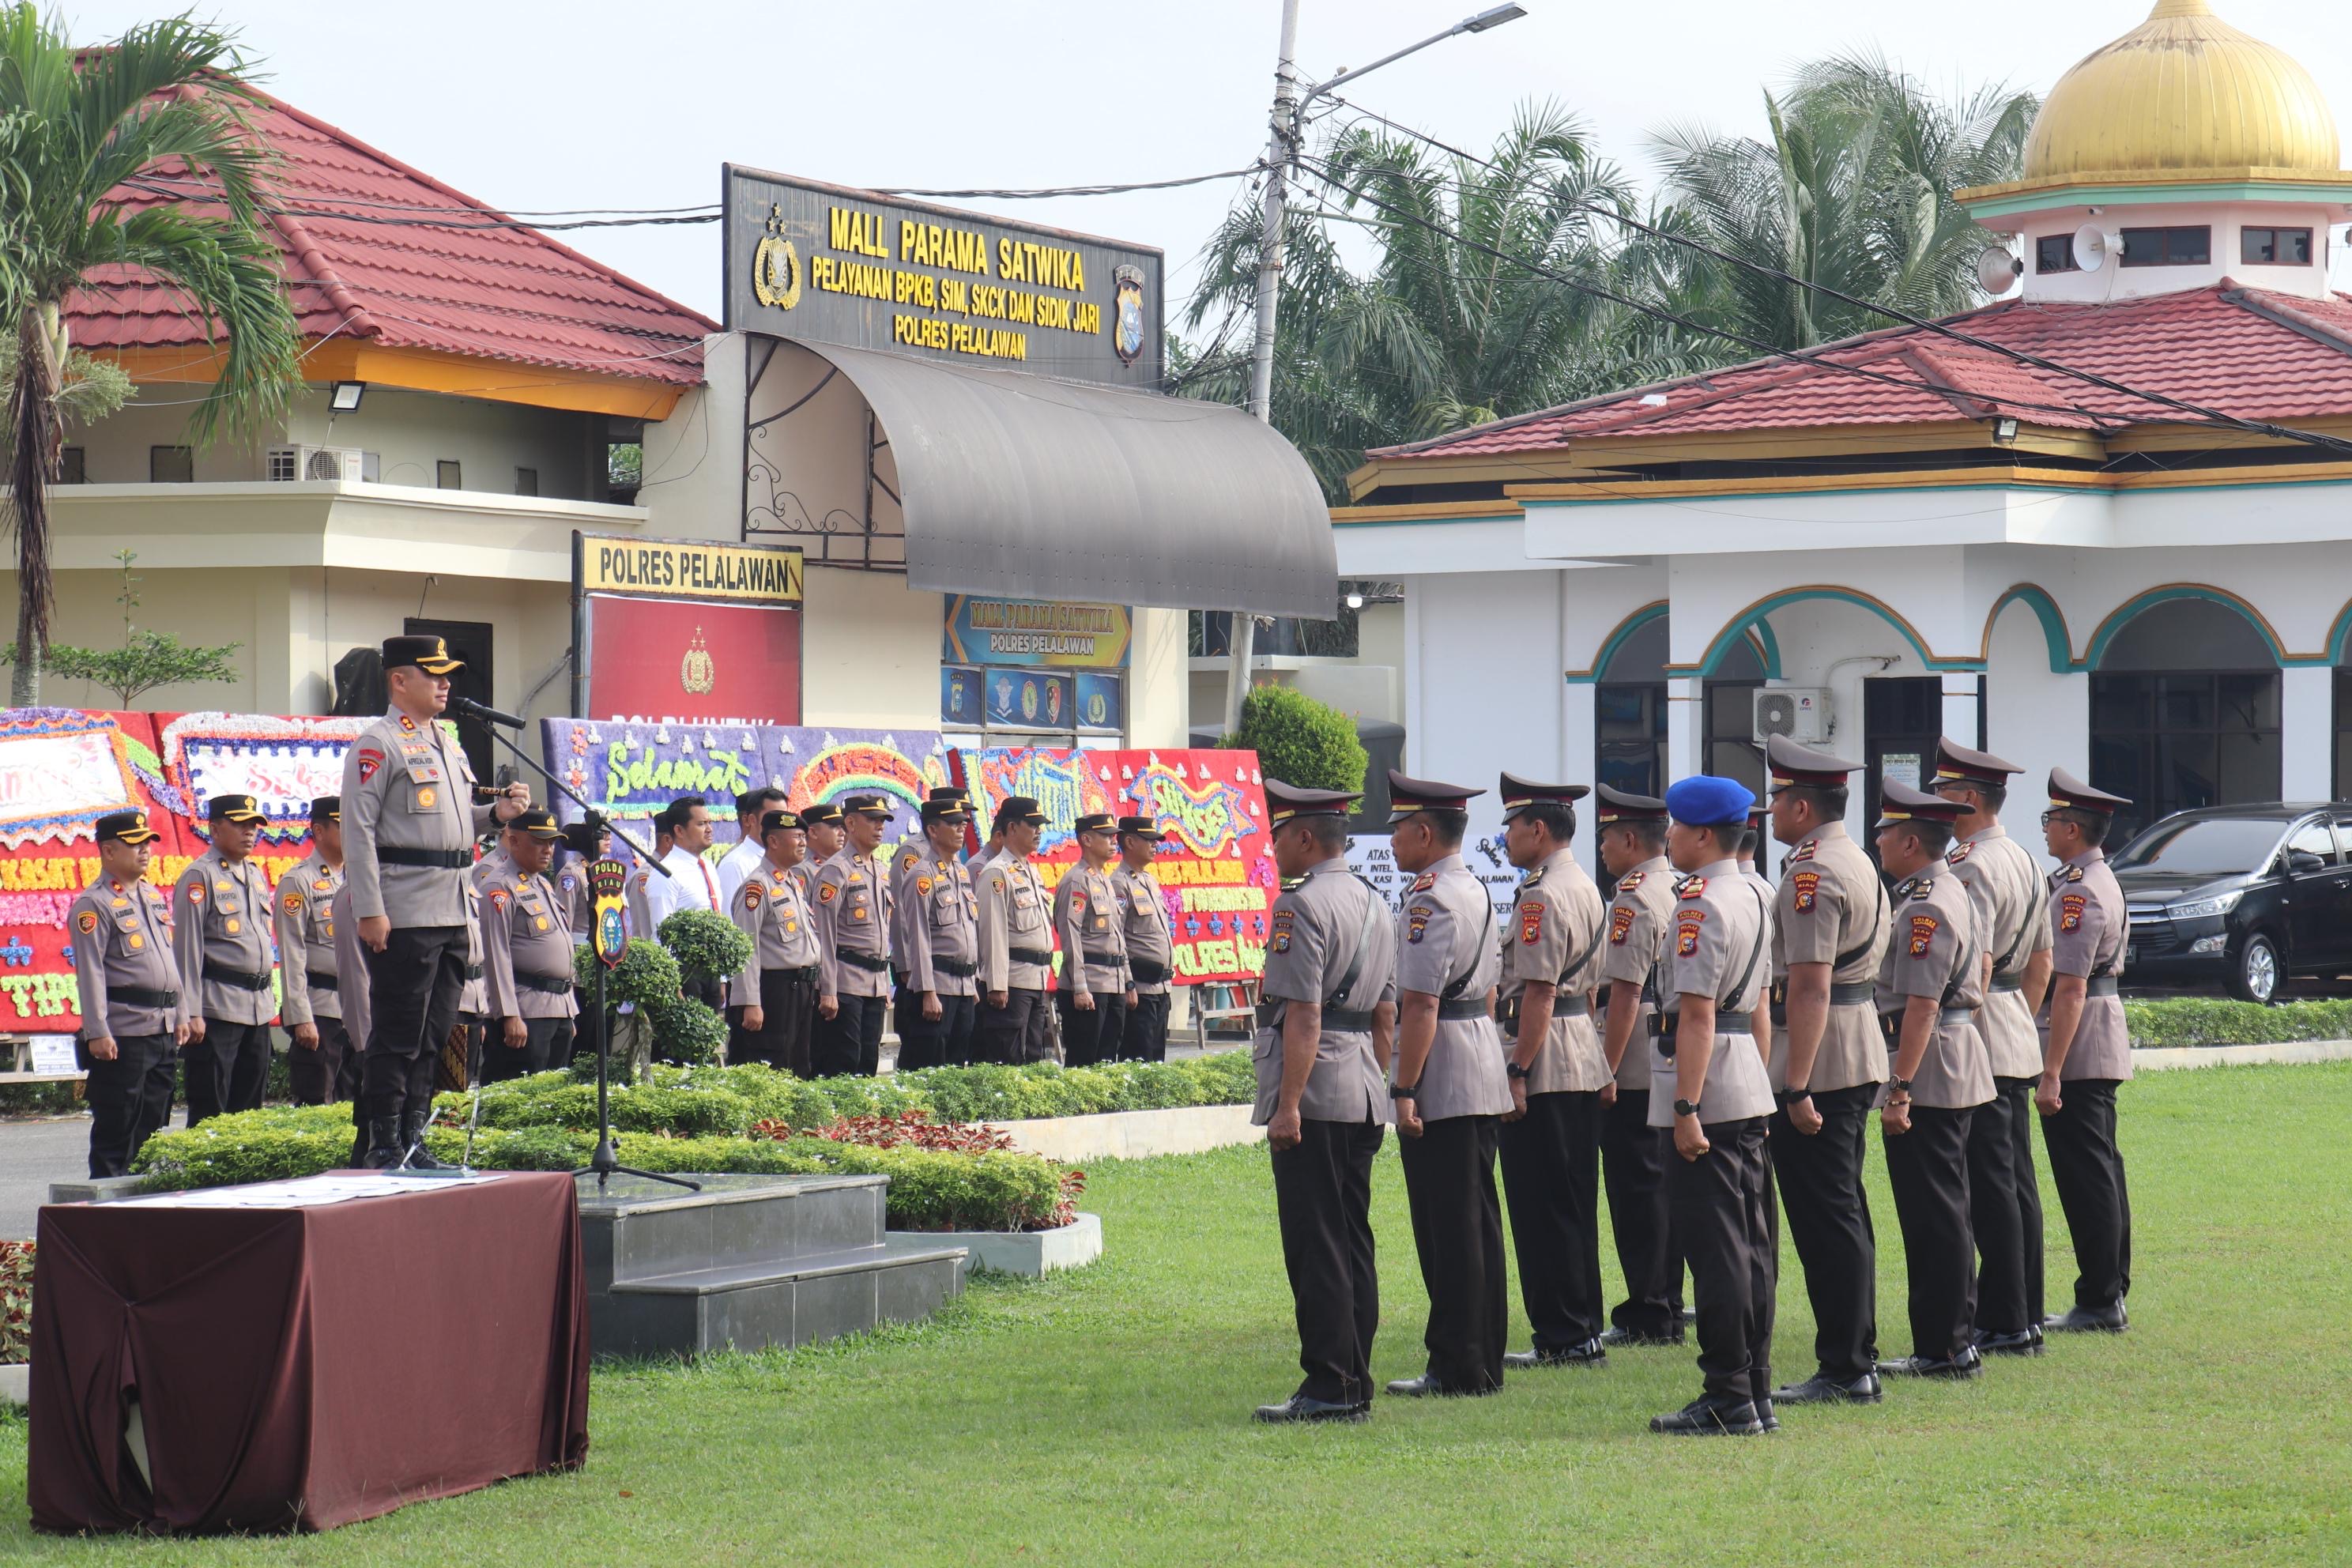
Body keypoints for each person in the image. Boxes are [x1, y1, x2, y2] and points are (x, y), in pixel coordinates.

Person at [343, 632, 526, 1168]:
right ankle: (382, 1141)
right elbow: (358, 831)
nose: (445, 683)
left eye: (448, 675)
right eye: (434, 674)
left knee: (436, 1033)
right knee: (398, 1031)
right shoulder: (378, 744)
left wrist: (496, 817)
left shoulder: (447, 741)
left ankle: (414, 1138)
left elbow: (454, 824)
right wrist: (370, 910)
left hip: (454, 907)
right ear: (400, 680)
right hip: (406, 909)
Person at [1251, 780, 1396, 1424]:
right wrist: (1378, 1081)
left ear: (1305, 838)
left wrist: (1289, 1107)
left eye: (1279, 835)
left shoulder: (1299, 905)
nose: (1274, 847)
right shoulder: (1375, 901)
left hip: (1316, 1093)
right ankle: (1354, 1377)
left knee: (1317, 1244)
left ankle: (1330, 1385)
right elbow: (1386, 1012)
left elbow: (1305, 1015)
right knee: (1352, 1237)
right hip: (1361, 1086)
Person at [1761, 734, 1889, 1410]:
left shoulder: (1811, 875)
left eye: (1777, 797)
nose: (1770, 809)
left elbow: (1810, 985)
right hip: (1851, 1042)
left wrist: (1796, 1083)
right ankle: (1853, 1353)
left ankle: (1845, 1364)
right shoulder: (1854, 857)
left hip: (1824, 1057)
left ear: (1802, 806)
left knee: (1826, 1216)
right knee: (1843, 1208)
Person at [1648, 775, 1777, 1437]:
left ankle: (1729, 1394)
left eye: (1675, 826)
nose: (1668, 836)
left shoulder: (1699, 906)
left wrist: (1686, 1106)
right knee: (1751, 1244)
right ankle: (1755, 1388)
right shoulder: (1754, 891)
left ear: (1702, 834)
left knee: (1718, 1248)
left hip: (1709, 1083)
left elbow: (1696, 1016)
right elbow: (1760, 1006)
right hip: (1744, 1074)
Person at [1383, 771, 1512, 1400]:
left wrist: (1404, 1088)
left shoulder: (1428, 900)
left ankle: (1458, 1363)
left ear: (1424, 833)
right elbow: (1486, 990)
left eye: (1398, 829)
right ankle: (1481, 1355)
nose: (1392, 841)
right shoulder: (1475, 887)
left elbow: (1421, 1004)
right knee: (1478, 1220)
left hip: (1445, 1067)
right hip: (1478, 1055)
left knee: (1449, 1226)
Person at [1932, 740, 2054, 1356]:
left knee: (1990, 1183)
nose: (1936, 803)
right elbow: (2042, 962)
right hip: (2011, 1026)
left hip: (1981, 1029)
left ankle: (2007, 1318)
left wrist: (1971, 1023)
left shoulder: (1972, 866)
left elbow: (1975, 961)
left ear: (1969, 800)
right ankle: (2023, 1310)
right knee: (2015, 1180)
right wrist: (2016, 1018)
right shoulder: (2025, 859)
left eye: (1943, 793)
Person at [1871, 780, 1992, 1379]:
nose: (1878, 843)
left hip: (1930, 1068)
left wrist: (1900, 1088)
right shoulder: (1947, 889)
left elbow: (1921, 1006)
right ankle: (1949, 1341)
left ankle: (1945, 1347)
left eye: (1886, 833)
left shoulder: (1926, 904)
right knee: (1945, 1207)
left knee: (1934, 1214)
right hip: (1948, 1056)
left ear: (1910, 842)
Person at [1493, 773, 1611, 1370]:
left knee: (1543, 1204)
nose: (1506, 837)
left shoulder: (1540, 895)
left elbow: (1538, 992)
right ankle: (1582, 1327)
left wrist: (1517, 1070)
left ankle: (1563, 1334)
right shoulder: (1584, 884)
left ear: (1538, 829)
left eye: (1512, 826)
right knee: (1573, 1200)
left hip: (1545, 1058)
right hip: (1578, 1052)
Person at [2037, 767, 2135, 1334]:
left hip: (2079, 1040)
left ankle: (2099, 1297)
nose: (2047, 828)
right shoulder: (2096, 877)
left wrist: (2051, 1071)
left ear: (2072, 828)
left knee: (2087, 1174)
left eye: (2051, 819)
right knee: (2101, 1168)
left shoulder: (2078, 889)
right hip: (2095, 1031)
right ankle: (2108, 1289)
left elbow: (2070, 987)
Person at [1592, 784, 1687, 1348]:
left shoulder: (1632, 899)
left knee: (1637, 1189)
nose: (1602, 846)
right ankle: (1667, 1301)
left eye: (1607, 836)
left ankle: (1649, 1309)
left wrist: (1604, 1068)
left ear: (1631, 840)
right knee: (1661, 1184)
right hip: (1669, 1046)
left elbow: (1625, 993)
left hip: (1634, 1057)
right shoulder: (1680, 886)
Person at [68, 810, 190, 1177]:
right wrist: (97, 1031)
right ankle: (107, 1202)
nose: (145, 850)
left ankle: (136, 1198)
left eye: (147, 843)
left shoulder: (150, 895)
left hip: (162, 1027)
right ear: (108, 851)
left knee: (151, 1125)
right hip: (125, 1033)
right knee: (117, 1127)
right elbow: (90, 972)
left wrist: (181, 1012)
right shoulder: (94, 904)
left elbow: (168, 960)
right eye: (134, 844)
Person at [169, 792, 276, 1122]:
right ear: (215, 830)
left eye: (253, 825)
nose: (249, 831)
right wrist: (191, 1012)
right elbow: (187, 950)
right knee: (211, 1111)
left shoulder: (254, 874)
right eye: (240, 824)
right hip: (217, 1009)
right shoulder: (200, 876)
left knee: (249, 1112)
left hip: (257, 1009)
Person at [474, 810, 577, 1080]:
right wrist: (508, 1014)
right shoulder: (498, 886)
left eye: (551, 842)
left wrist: (568, 1010)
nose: (548, 850)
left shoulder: (542, 884)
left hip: (557, 1008)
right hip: (525, 1010)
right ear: (514, 840)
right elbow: (494, 955)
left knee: (553, 1096)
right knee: (518, 1092)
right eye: (539, 842)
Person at [727, 808, 821, 1075]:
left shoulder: (791, 882)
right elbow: (746, 948)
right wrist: (750, 1002)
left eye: (804, 837)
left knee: (798, 1065)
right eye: (796, 837)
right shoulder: (757, 886)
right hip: (775, 989)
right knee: (772, 1063)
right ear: (773, 841)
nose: (803, 843)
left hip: (802, 988)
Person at [276, 797, 356, 1106]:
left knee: (355, 1106)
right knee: (318, 1104)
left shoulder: (359, 878)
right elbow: (291, 952)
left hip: (356, 1010)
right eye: (342, 825)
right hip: (321, 1010)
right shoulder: (299, 881)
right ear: (319, 831)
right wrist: (300, 1017)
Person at [811, 793, 895, 1076]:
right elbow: (823, 934)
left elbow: (882, 933)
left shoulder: (881, 870)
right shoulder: (836, 870)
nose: (879, 826)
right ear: (850, 823)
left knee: (868, 1062)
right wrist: (828, 989)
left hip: (875, 984)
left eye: (882, 821)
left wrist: (884, 986)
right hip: (845, 984)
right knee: (844, 1063)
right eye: (872, 819)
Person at [896, 793, 980, 1070]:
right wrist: (926, 991)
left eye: (963, 823)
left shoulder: (961, 872)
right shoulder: (922, 875)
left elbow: (969, 929)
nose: (961, 828)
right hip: (938, 986)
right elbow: (917, 936)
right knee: (929, 1068)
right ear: (933, 830)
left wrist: (972, 982)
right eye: (953, 823)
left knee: (956, 1070)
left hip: (963, 986)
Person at [975, 796, 1055, 1064]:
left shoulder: (1031, 872)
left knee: (1033, 1058)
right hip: (1012, 983)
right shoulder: (996, 872)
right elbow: (992, 933)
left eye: (1040, 826)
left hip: (1036, 981)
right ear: (1011, 828)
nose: (1038, 832)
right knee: (1009, 1060)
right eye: (1032, 825)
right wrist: (997, 984)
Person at [1054, 813, 1134, 1069]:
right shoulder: (1076, 880)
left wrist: (1128, 981)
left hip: (1113, 984)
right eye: (1107, 836)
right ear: (1087, 840)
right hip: (1090, 986)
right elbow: (1071, 935)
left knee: (1108, 1063)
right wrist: (1079, 986)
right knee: (1084, 1064)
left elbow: (1118, 936)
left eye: (1114, 836)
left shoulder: (1103, 880)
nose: (1114, 841)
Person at [1112, 816, 1178, 1062]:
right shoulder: (1119, 883)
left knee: (1157, 1060)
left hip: (1161, 987)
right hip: (1140, 989)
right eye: (1149, 840)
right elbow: (1116, 938)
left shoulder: (1149, 880)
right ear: (1130, 842)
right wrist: (1128, 984)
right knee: (1139, 1060)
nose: (1155, 845)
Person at [718, 786, 789, 906]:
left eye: (784, 819)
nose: (780, 825)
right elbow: (729, 914)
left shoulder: (784, 860)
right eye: (772, 819)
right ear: (751, 820)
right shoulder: (735, 864)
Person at [556, 817, 611, 944]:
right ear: (585, 834)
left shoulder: (605, 871)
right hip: (581, 949)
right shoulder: (571, 874)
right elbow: (564, 925)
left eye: (609, 832)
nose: (608, 837)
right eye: (602, 832)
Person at [791, 802, 845, 908]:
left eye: (842, 827)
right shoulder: (801, 869)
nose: (842, 833)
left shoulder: (840, 864)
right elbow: (800, 914)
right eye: (834, 827)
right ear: (813, 833)